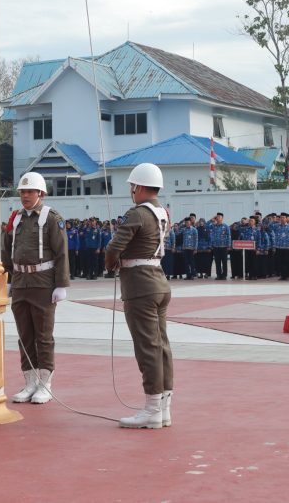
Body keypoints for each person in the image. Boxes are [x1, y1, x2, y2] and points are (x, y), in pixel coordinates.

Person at [104, 162, 174, 430]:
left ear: (140, 187)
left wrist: (111, 263)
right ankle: (164, 407)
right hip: (158, 281)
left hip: (140, 285)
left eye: (133, 186)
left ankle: (152, 409)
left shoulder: (137, 214)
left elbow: (114, 247)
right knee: (161, 346)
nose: (131, 191)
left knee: (147, 348)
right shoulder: (162, 212)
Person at [0, 172, 69, 405]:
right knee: (24, 336)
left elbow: (61, 253)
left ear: (40, 193)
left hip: (42, 283)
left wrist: (61, 285)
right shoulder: (16, 218)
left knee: (43, 336)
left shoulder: (51, 218)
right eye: (22, 191)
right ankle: (29, 382)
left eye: (29, 191)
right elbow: (7, 250)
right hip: (21, 283)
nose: (25, 195)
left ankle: (44, 383)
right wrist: (8, 279)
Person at [209, 213, 231, 280]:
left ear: (222, 218)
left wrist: (229, 245)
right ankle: (218, 275)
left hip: (224, 247)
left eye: (219, 217)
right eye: (217, 217)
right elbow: (207, 228)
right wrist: (211, 220)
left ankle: (224, 275)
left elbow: (229, 236)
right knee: (217, 262)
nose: (218, 218)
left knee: (224, 262)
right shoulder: (213, 226)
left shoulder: (226, 226)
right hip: (216, 247)